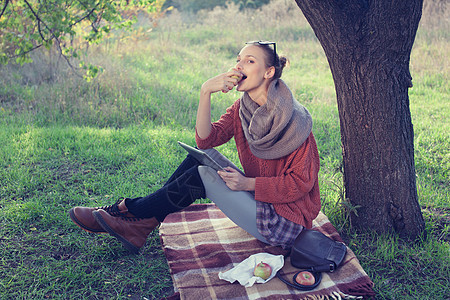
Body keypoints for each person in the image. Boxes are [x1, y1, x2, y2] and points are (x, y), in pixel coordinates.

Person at [69, 41, 321, 254]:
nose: (239, 66)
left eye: (250, 61)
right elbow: (207, 140)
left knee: (201, 176)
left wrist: (247, 184)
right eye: (238, 60)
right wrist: (205, 92)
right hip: (261, 201)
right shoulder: (242, 109)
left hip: (285, 223)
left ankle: (132, 216)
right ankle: (136, 222)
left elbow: (301, 183)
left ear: (269, 72)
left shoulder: (294, 121)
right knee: (200, 159)